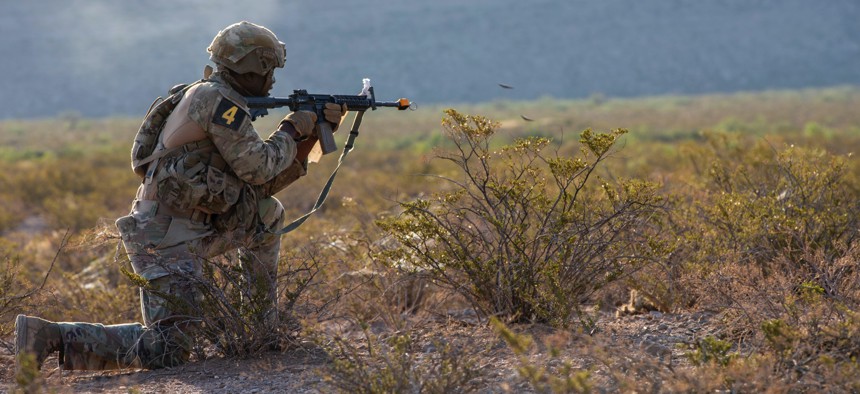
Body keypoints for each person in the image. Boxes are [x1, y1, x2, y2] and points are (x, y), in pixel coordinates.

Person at [15, 21, 346, 371]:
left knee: (267, 213)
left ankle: (261, 327)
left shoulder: (213, 95)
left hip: (193, 226)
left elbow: (255, 189)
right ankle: (49, 335)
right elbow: (258, 168)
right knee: (167, 349)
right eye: (270, 69)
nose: (274, 79)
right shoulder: (217, 102)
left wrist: (309, 139)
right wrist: (293, 128)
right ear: (254, 66)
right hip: (165, 235)